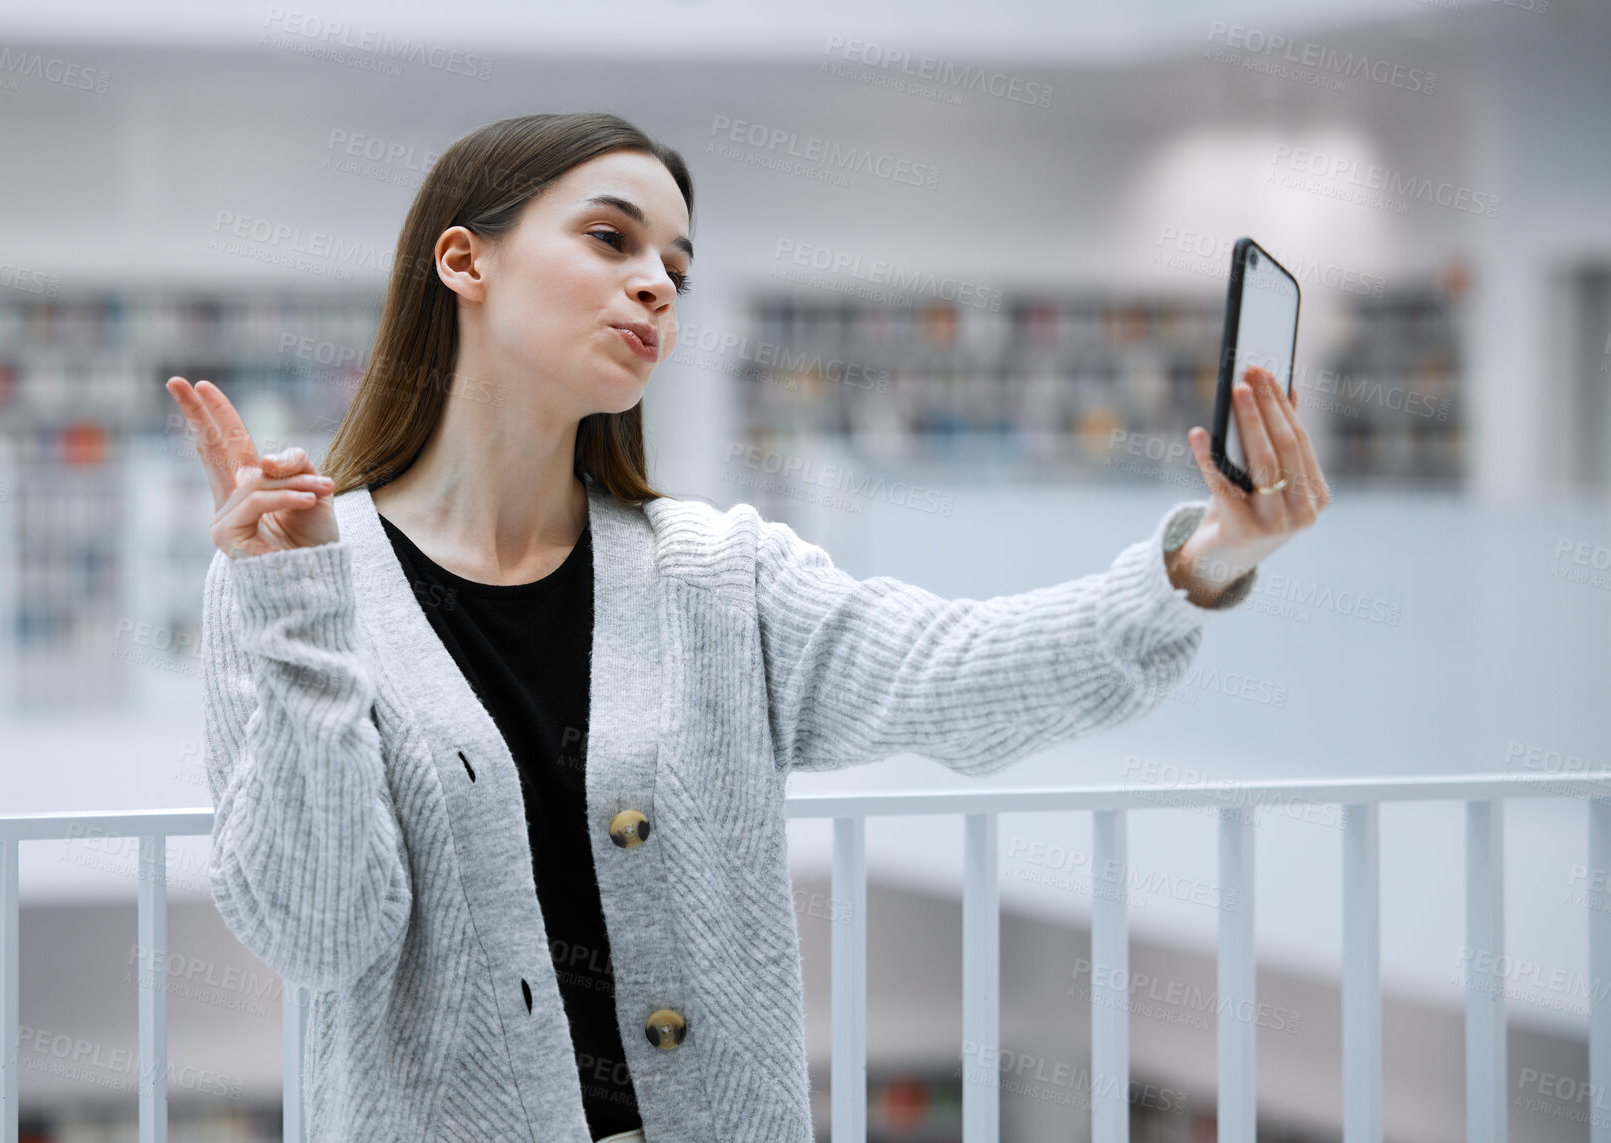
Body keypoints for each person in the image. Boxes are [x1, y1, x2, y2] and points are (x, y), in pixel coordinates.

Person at [165, 111, 1327, 1143]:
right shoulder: (289, 580)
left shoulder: (719, 578)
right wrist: (302, 618)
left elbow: (957, 675)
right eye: (611, 240)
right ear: (464, 259)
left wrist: (1204, 560)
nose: (659, 285)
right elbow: (318, 932)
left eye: (676, 264)